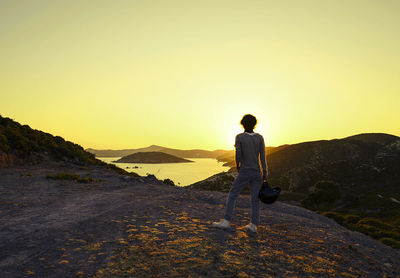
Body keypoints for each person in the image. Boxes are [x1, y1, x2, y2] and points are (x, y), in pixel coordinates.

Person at [212, 114, 268, 233]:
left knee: (232, 194)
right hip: (257, 172)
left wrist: (238, 166)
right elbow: (263, 157)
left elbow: (238, 155)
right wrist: (265, 173)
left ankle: (226, 221)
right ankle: (253, 225)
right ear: (255, 124)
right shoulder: (260, 138)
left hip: (245, 171)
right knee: (255, 198)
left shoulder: (240, 137)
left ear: (242, 124)